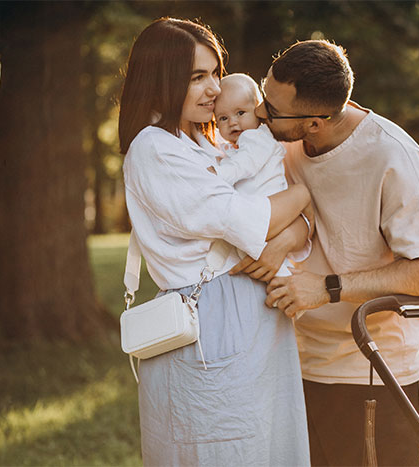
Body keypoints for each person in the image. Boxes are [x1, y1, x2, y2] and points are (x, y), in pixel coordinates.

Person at [242, 39, 419, 466]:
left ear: (315, 122)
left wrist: (327, 288)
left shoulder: (393, 155)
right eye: (265, 96)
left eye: (273, 109)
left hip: (370, 373)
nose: (261, 112)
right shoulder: (275, 141)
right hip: (292, 363)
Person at [118, 18, 310, 466]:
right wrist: (303, 196)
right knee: (223, 449)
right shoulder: (154, 148)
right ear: (162, 79)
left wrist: (295, 226)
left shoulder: (206, 142)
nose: (213, 89)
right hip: (211, 320)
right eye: (196, 77)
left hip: (253, 315)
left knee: (265, 446)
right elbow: (246, 219)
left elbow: (279, 221)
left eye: (215, 73)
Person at [211, 73, 312, 280]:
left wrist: (217, 175)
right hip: (262, 220)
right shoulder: (238, 145)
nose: (232, 123)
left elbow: (244, 164)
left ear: (258, 110)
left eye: (240, 113)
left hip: (271, 217)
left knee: (277, 275)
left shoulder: (256, 138)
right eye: (223, 118)